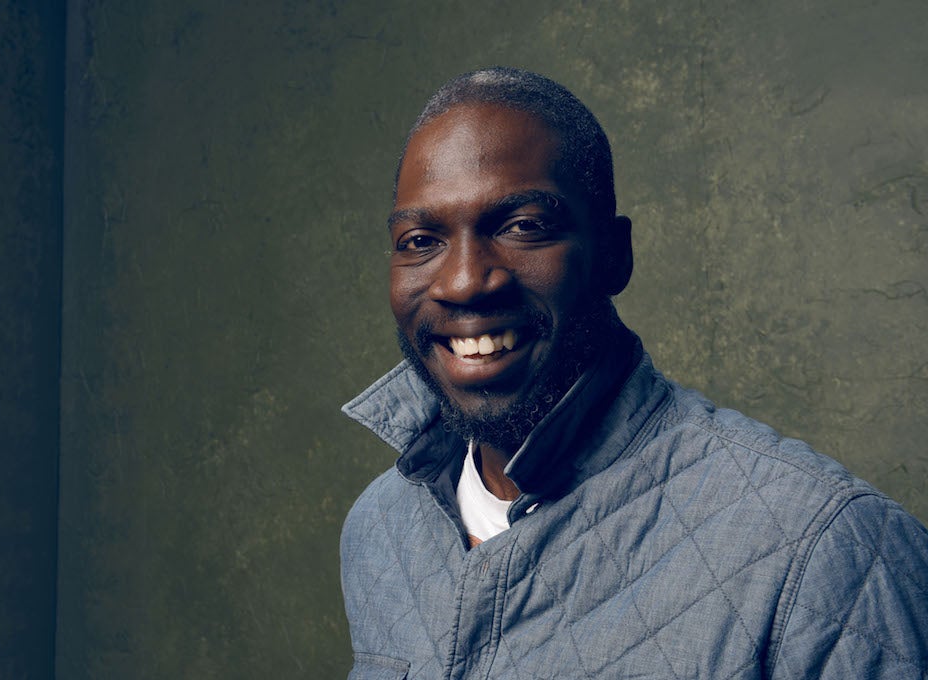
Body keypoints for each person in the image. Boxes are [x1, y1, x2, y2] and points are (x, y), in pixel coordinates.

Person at [339, 67, 928, 679]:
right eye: (420, 239)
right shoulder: (380, 529)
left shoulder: (829, 551)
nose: (463, 280)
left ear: (615, 255)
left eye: (523, 227)